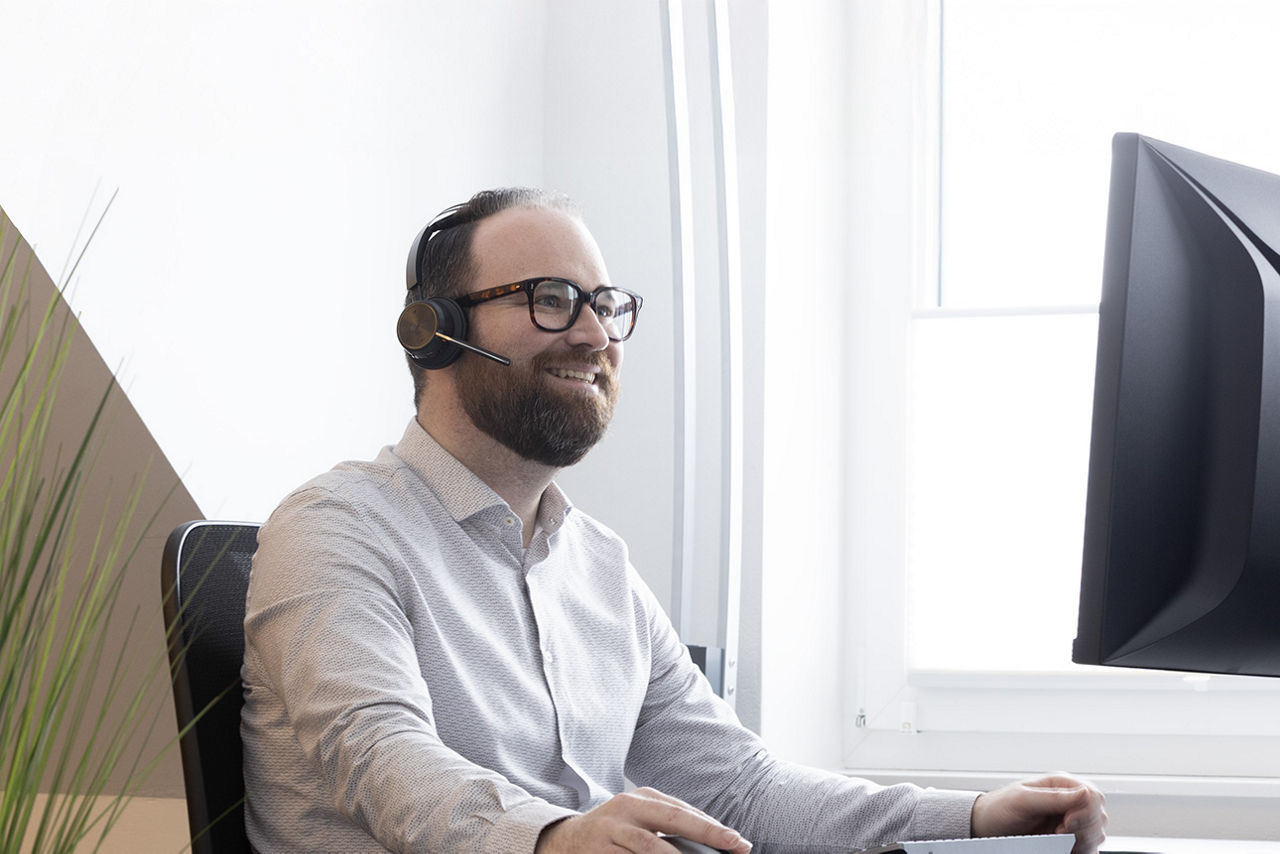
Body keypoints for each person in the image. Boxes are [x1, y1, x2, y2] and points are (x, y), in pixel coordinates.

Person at [241, 187, 1107, 854]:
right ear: (435, 334)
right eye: (549, 298)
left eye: (605, 304)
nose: (592, 334)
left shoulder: (599, 568)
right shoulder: (334, 529)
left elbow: (743, 790)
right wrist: (550, 837)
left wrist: (977, 818)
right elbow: (379, 756)